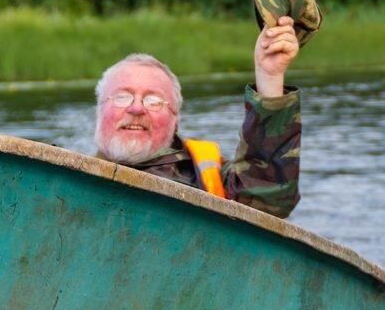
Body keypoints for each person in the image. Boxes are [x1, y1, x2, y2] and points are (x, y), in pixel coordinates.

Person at [93, 14, 303, 219]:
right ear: (99, 111)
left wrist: (270, 77)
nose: (137, 108)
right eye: (122, 97)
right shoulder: (68, 176)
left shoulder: (213, 178)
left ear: (176, 120)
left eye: (153, 100)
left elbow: (271, 200)